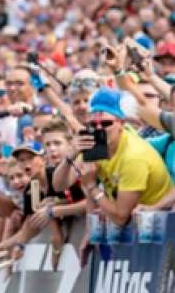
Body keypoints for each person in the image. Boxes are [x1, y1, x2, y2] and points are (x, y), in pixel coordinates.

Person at [53, 88, 173, 227]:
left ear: (121, 123)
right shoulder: (97, 144)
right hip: (133, 225)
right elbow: (59, 185)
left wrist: (92, 187)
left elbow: (121, 218)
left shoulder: (133, 156)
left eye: (105, 124)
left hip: (158, 224)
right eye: (93, 124)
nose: (99, 129)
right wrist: (70, 156)